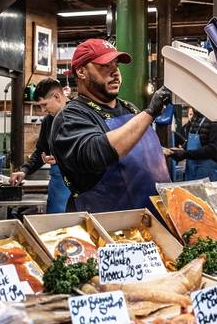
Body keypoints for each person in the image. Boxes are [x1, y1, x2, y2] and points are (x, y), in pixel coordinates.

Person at [49, 38, 172, 213]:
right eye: (105, 66)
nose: (115, 73)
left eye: (116, 66)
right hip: (104, 223)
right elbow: (95, 154)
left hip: (153, 217)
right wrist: (149, 113)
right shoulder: (70, 117)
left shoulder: (130, 109)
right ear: (81, 71)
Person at [9, 78, 71, 212]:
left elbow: (93, 153)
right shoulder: (48, 121)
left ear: (57, 97)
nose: (43, 110)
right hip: (58, 189)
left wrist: (62, 160)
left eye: (44, 104)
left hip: (81, 189)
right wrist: (25, 171)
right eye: (40, 106)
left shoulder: (82, 116)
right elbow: (41, 151)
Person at [164, 111, 217, 181]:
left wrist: (185, 154)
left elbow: (212, 150)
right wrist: (174, 151)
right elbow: (188, 144)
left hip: (209, 174)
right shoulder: (195, 119)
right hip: (192, 173)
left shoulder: (215, 121)